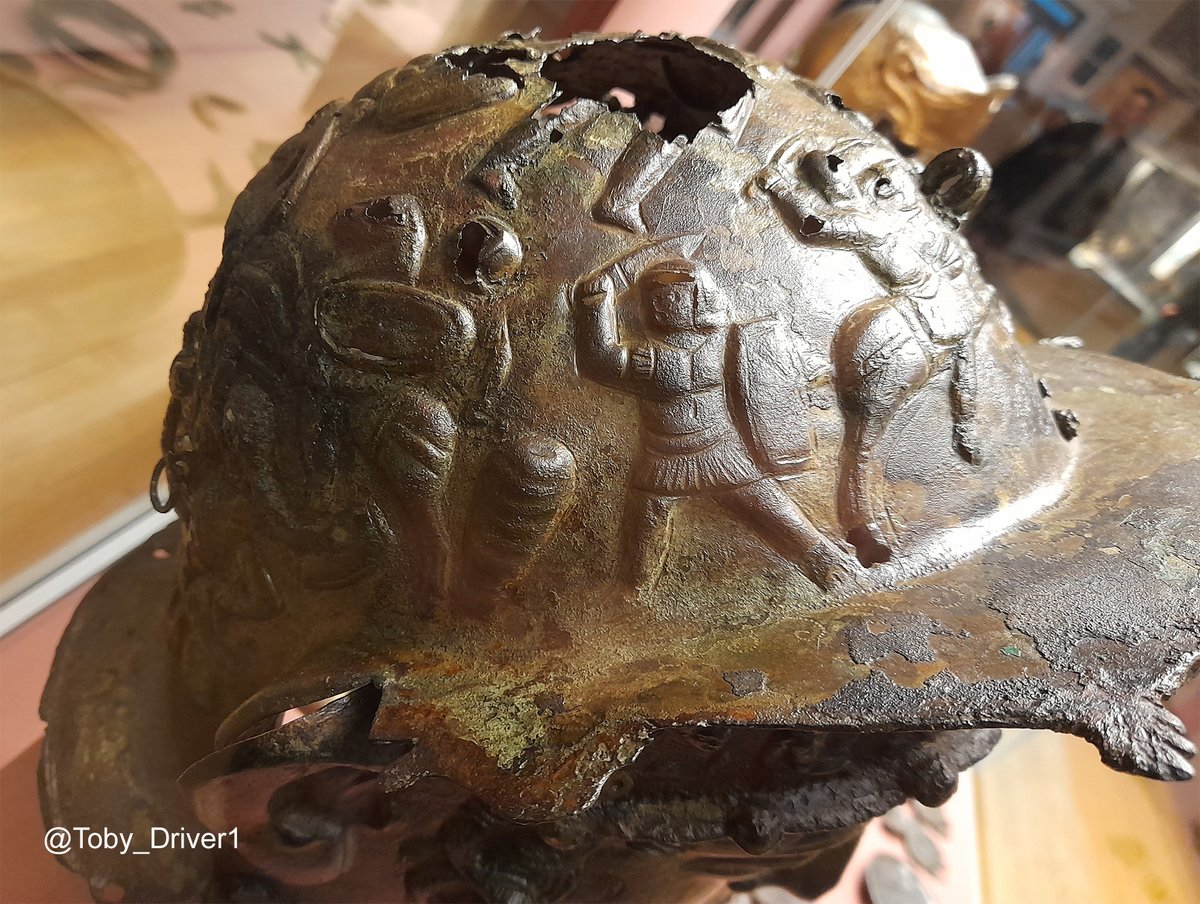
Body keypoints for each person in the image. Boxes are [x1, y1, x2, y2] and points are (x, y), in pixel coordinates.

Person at [572, 258, 855, 592]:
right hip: (664, 460)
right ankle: (632, 594)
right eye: (655, 301)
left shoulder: (727, 344)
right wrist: (595, 309)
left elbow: (769, 371)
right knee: (645, 528)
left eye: (673, 299)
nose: (662, 307)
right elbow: (600, 362)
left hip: (722, 451)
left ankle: (824, 560)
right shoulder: (647, 357)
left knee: (769, 504)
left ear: (699, 301)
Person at [975, 87, 1158, 251]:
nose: (1124, 111)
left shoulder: (1119, 161)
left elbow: (1095, 207)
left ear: (1140, 118)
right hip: (1006, 209)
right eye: (1126, 104)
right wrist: (991, 191)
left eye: (1134, 109)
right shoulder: (1078, 131)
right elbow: (1025, 158)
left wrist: (1066, 244)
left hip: (1039, 235)